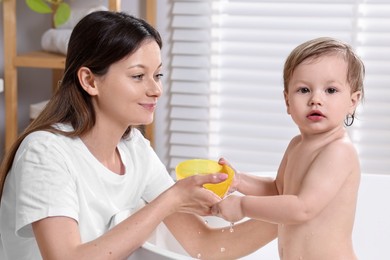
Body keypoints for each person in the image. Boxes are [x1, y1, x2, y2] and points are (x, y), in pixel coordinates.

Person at [0, 11, 277, 260]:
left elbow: (206, 245)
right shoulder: (45, 153)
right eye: (137, 76)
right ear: (90, 81)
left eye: (158, 75)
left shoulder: (134, 149)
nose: (155, 89)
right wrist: (170, 199)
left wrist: (298, 213)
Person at [213, 37, 364, 260]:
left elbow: (302, 208)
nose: (316, 99)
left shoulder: (338, 151)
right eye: (304, 90)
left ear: (353, 101)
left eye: (331, 90)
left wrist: (243, 206)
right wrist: (240, 181)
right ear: (287, 101)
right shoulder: (297, 144)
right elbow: (279, 191)